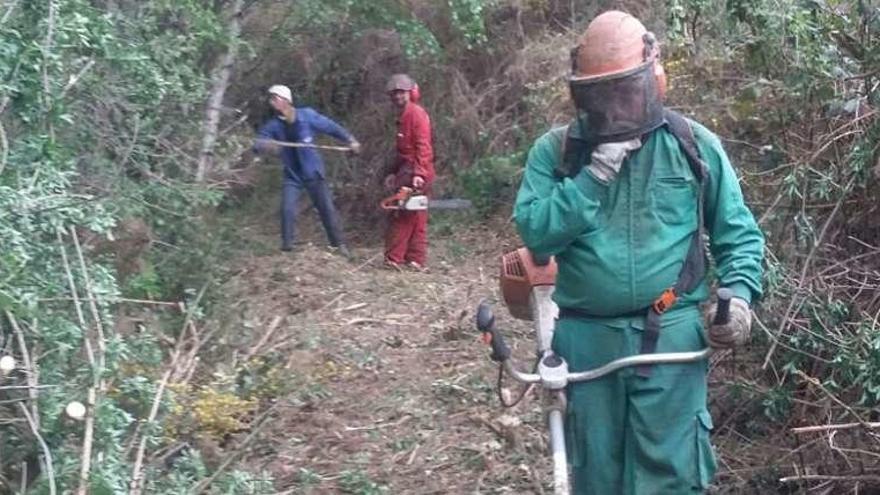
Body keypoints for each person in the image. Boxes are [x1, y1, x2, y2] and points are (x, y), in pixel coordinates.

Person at [513, 11, 764, 494]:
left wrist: (739, 295)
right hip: (587, 339)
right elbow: (537, 235)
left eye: (624, 91)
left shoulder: (693, 146)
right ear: (581, 93)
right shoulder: (558, 152)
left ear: (652, 79)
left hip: (671, 335)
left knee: (671, 474)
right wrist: (591, 179)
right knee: (595, 475)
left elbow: (739, 235)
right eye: (600, 95)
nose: (613, 107)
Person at [254, 84, 361, 256]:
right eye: (271, 99)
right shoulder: (274, 125)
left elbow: (331, 127)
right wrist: (265, 145)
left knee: (326, 208)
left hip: (313, 172)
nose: (271, 102)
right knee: (287, 209)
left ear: (286, 100)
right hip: (292, 175)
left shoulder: (307, 116)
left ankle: (339, 245)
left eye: (275, 98)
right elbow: (259, 141)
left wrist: (350, 140)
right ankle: (287, 248)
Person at [382, 74, 435, 270]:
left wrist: (419, 174)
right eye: (394, 93)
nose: (397, 97)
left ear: (411, 93)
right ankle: (415, 259)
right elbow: (401, 152)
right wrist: (393, 173)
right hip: (407, 170)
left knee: (403, 214)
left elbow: (424, 146)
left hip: (417, 171)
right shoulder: (402, 116)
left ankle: (394, 258)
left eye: (401, 92)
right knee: (416, 215)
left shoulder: (416, 114)